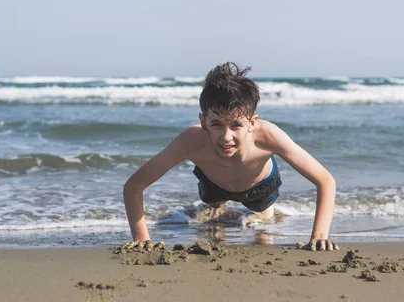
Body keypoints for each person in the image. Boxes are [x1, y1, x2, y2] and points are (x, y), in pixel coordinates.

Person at [123, 62, 338, 251]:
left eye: (236, 125)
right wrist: (142, 238)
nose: (226, 137)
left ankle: (263, 211)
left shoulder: (270, 136)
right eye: (216, 124)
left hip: (260, 186)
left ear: (252, 123)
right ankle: (219, 207)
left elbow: (325, 180)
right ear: (203, 120)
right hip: (212, 182)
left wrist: (319, 237)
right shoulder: (190, 140)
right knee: (213, 211)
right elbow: (134, 185)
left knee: (263, 219)